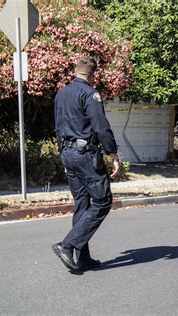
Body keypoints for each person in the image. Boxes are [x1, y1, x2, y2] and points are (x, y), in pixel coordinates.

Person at [52, 55, 120, 272]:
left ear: (75, 70)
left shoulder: (61, 94)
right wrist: (113, 154)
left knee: (82, 203)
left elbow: (58, 126)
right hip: (85, 155)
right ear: (93, 74)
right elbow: (101, 127)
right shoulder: (90, 94)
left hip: (68, 154)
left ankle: (82, 259)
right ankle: (67, 245)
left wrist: (64, 155)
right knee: (102, 201)